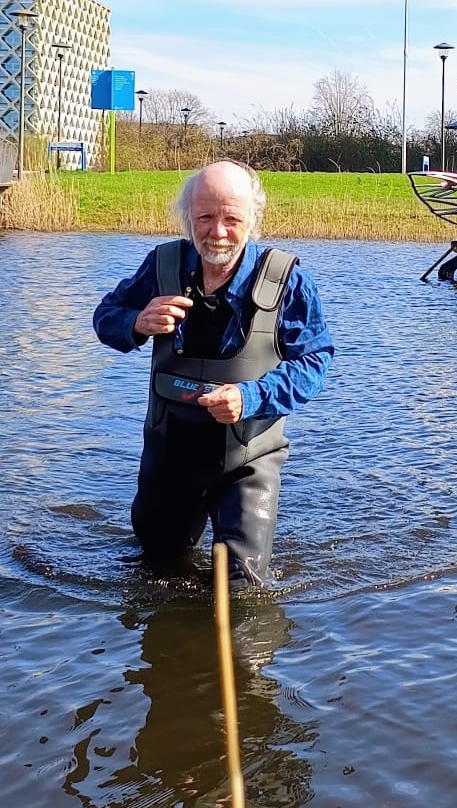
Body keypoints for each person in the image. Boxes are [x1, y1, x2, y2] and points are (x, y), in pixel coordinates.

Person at [92, 160, 334, 587]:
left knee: (241, 585)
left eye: (231, 219)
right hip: (169, 452)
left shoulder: (287, 280)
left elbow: (315, 363)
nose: (217, 231)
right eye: (205, 217)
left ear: (252, 220)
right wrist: (136, 322)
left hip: (247, 460)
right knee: (156, 567)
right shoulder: (162, 265)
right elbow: (104, 317)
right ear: (188, 217)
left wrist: (252, 397)